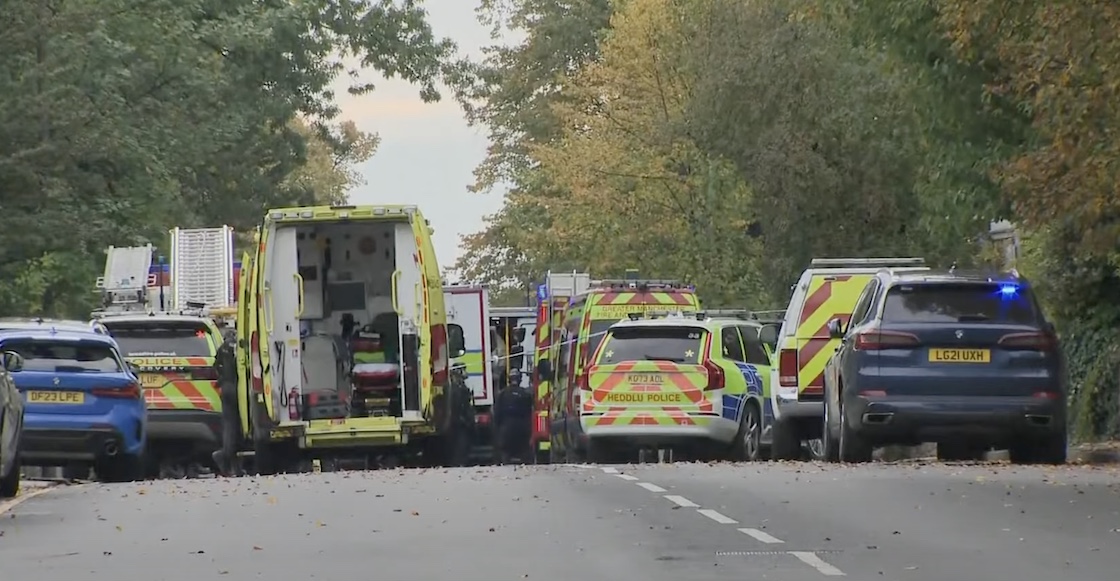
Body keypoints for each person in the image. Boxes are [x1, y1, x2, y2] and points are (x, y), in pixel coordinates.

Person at [212, 328, 242, 476]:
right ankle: (225, 455)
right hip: (239, 388)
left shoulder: (223, 347)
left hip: (226, 388)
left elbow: (216, 366)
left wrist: (222, 379)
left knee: (230, 425)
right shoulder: (240, 346)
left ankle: (231, 461)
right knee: (236, 425)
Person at [493, 372, 533, 463]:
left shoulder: (502, 394)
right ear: (520, 380)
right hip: (522, 428)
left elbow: (497, 413)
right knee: (524, 452)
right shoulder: (525, 394)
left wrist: (498, 428)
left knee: (505, 452)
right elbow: (529, 412)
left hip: (507, 427)